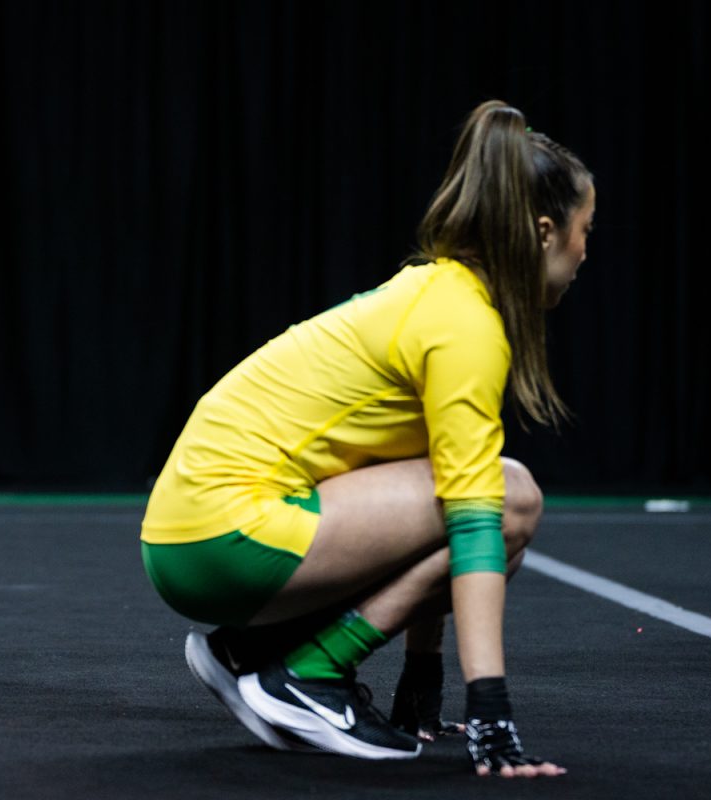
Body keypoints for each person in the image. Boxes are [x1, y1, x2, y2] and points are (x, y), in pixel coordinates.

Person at [140, 100, 593, 777]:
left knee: (490, 490)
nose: (588, 250)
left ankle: (257, 653)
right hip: (222, 539)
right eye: (588, 229)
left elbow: (431, 494)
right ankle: (306, 674)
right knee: (513, 500)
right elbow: (471, 523)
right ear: (544, 231)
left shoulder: (437, 293)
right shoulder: (466, 325)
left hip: (191, 533)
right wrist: (492, 719)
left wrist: (421, 689)